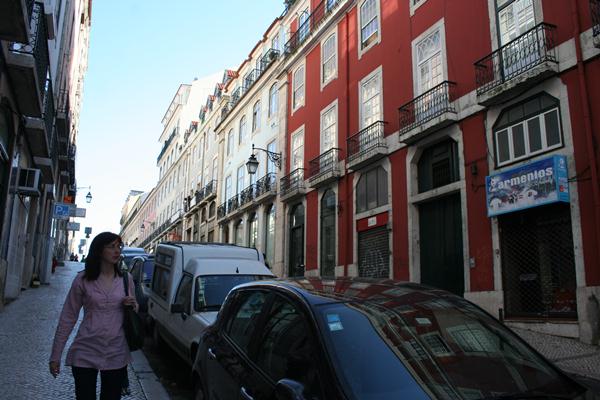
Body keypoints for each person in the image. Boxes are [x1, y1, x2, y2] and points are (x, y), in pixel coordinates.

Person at [49, 232, 138, 400]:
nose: (117, 251)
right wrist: (56, 355)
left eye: (119, 246)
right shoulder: (82, 279)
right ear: (99, 250)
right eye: (111, 247)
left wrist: (132, 304)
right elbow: (68, 317)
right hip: (85, 349)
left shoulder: (126, 279)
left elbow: (134, 309)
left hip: (116, 351)